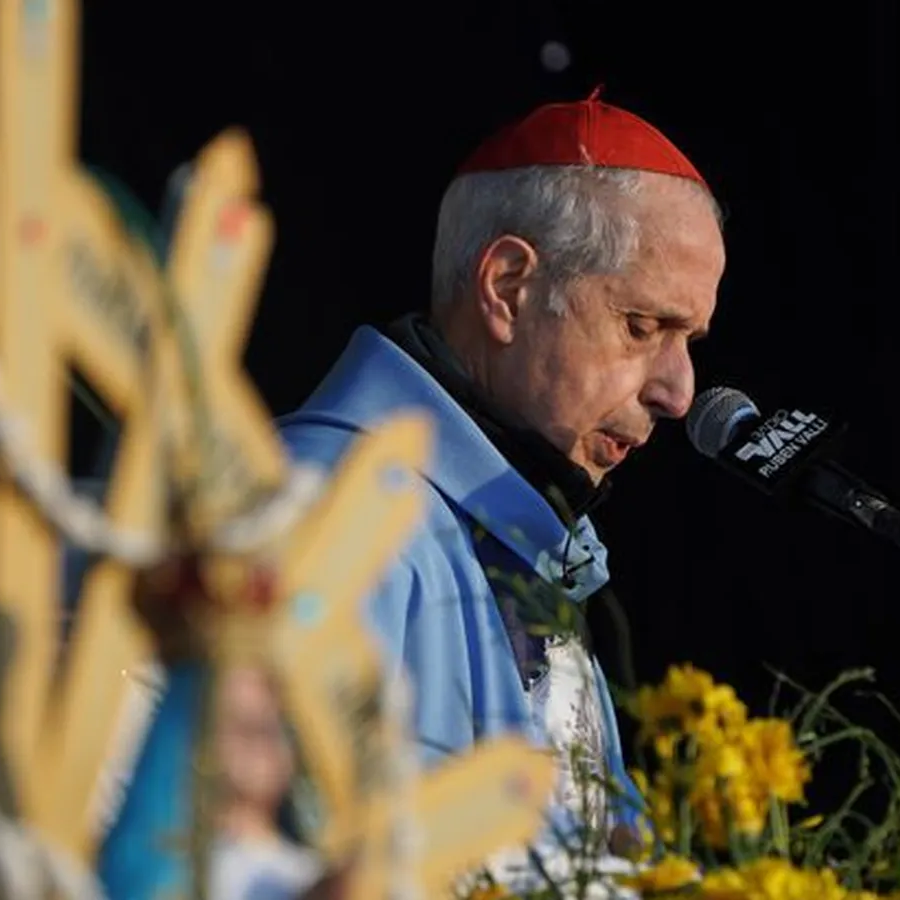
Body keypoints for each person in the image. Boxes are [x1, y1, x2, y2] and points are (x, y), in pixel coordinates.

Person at [275, 87, 725, 887]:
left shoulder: (529, 537)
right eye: (642, 326)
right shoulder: (325, 507)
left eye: (689, 339)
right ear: (509, 287)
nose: (679, 393)